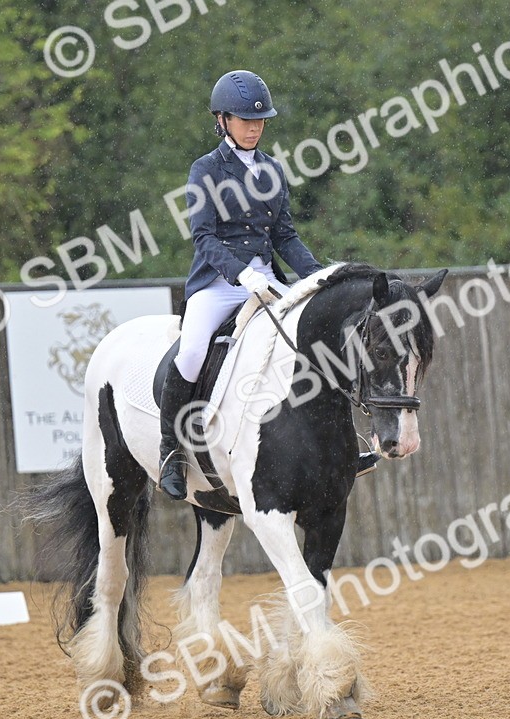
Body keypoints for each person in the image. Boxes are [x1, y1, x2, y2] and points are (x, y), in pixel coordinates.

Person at [158, 70, 378, 500]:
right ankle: (172, 451)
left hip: (270, 283)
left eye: (260, 121)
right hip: (220, 283)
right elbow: (204, 237)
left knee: (317, 340)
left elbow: (284, 237)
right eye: (244, 120)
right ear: (221, 120)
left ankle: (344, 442)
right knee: (192, 350)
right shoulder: (205, 170)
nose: (254, 127)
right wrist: (242, 273)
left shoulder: (272, 170)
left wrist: (316, 278)